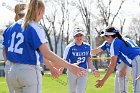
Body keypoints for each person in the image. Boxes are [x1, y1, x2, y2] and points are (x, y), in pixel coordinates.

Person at [2, 0, 86, 93]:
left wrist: (56, 65)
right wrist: (70, 66)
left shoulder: (10, 28)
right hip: (29, 72)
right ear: (39, 11)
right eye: (42, 14)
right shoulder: (35, 27)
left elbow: (7, 51)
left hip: (12, 71)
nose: (42, 17)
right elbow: (46, 53)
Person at [95, 27, 140, 93]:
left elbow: (112, 65)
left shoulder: (115, 42)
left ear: (109, 36)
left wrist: (103, 80)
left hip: (137, 61)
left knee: (137, 88)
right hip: (137, 61)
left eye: (105, 37)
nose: (105, 39)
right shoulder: (126, 39)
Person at [63, 28, 100, 93]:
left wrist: (93, 69)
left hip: (83, 71)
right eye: (77, 35)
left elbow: (88, 59)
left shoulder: (87, 46)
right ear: (74, 36)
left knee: (81, 91)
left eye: (80, 35)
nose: (79, 37)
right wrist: (61, 69)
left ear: (83, 36)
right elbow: (64, 61)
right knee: (72, 91)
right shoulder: (69, 47)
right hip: (72, 71)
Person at [3, 3, 26, 93]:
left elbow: (4, 50)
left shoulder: (9, 29)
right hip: (25, 65)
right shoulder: (30, 27)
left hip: (10, 65)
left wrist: (7, 63)